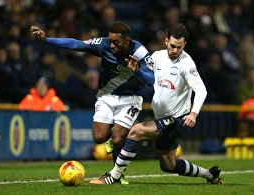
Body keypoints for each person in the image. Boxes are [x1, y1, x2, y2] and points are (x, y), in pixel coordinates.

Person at [90, 23, 222, 185]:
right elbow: (146, 77)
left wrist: (193, 113)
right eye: (172, 46)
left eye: (179, 47)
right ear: (166, 41)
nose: (175, 50)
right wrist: (135, 72)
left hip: (177, 120)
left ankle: (114, 176)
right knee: (168, 165)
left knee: (136, 131)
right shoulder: (156, 57)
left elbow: (201, 90)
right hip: (161, 119)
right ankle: (209, 175)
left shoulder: (187, 64)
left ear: (184, 45)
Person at [31, 21, 154, 183]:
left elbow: (151, 80)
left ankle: (116, 174)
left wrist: (137, 71)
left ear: (127, 41)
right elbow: (77, 44)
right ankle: (114, 135)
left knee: (118, 139)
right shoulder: (103, 44)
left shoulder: (140, 53)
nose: (111, 45)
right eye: (110, 41)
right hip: (107, 95)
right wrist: (48, 40)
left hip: (130, 98)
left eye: (115, 42)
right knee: (98, 137)